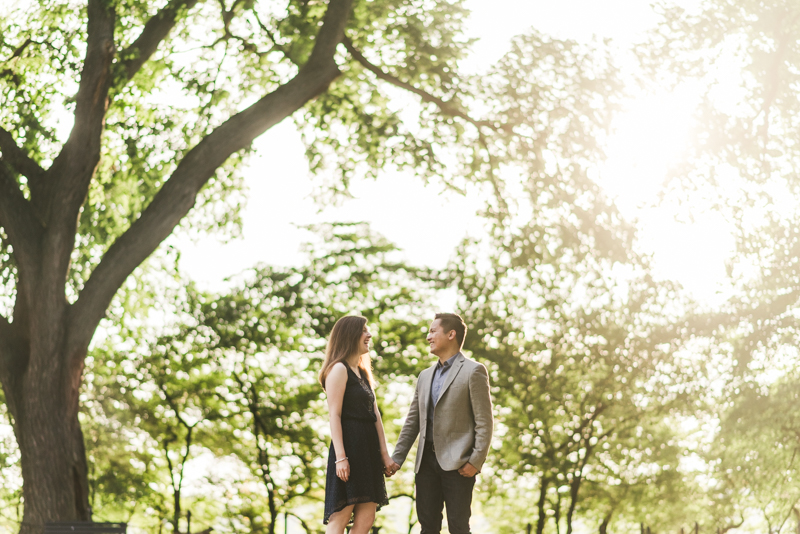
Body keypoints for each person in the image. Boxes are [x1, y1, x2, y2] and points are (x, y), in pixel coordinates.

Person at [386, 312, 493, 534]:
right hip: (425, 464)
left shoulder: (474, 371)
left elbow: (484, 421)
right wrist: (397, 458)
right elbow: (412, 421)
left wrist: (475, 461)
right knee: (428, 528)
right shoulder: (424, 376)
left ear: (451, 334)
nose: (428, 337)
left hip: (459, 465)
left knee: (458, 528)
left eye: (433, 331)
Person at [319, 315, 393, 533]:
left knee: (367, 517)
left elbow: (375, 414)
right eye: (364, 330)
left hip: (368, 450)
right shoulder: (338, 369)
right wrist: (341, 457)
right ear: (349, 335)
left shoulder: (362, 372)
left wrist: (384, 454)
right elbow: (334, 415)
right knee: (341, 515)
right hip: (349, 449)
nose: (369, 334)